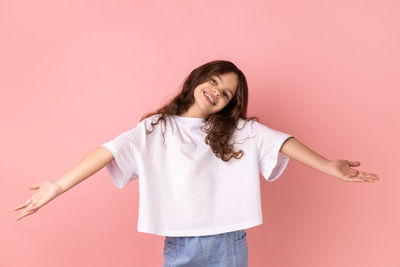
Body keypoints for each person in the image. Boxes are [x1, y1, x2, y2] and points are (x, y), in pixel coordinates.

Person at [14, 60, 380, 267]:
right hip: (180, 242)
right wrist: (58, 186)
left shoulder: (240, 131)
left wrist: (329, 166)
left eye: (226, 93)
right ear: (196, 80)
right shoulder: (155, 128)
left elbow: (283, 142)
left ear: (230, 104)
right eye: (214, 81)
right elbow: (108, 151)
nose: (216, 92)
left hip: (228, 240)